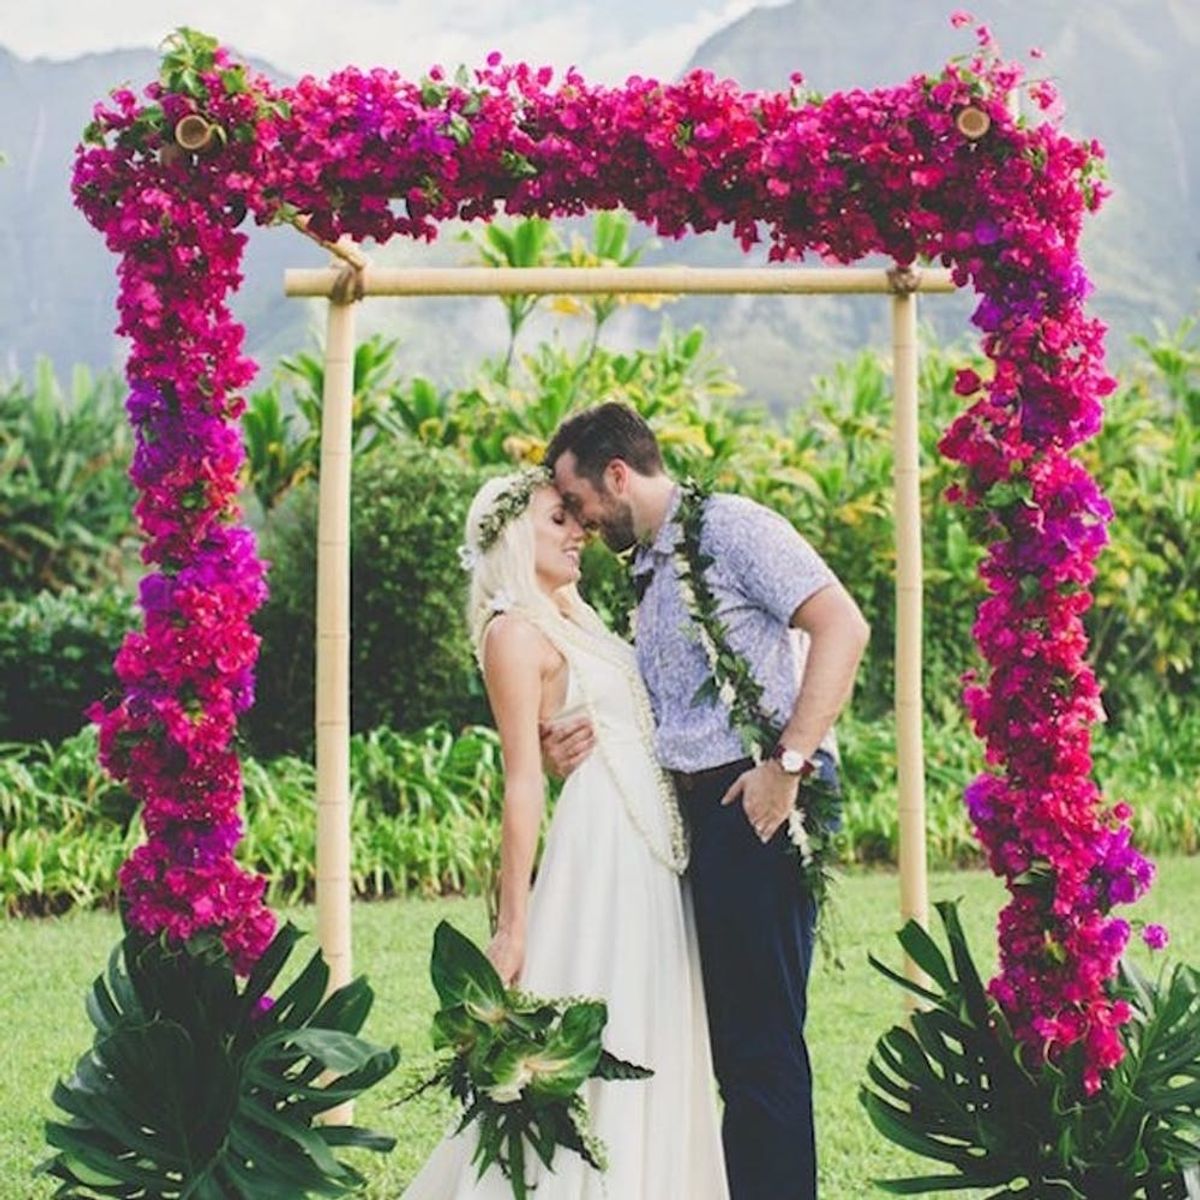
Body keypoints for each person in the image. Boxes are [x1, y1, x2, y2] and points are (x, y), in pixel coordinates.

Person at [543, 403, 870, 1200]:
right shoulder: (652, 571)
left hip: (752, 806)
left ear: (616, 475)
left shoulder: (731, 528)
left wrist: (786, 762)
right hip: (694, 819)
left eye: (576, 498)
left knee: (760, 1049)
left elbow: (842, 624)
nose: (579, 521)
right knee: (726, 1045)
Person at [401, 467, 729, 1200]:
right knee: (600, 1027)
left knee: (655, 1025)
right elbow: (521, 779)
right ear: (515, 535)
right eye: (559, 520)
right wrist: (513, 925)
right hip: (600, 853)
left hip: (647, 848)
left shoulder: (575, 617)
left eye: (575, 519)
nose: (578, 531)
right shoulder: (512, 633)